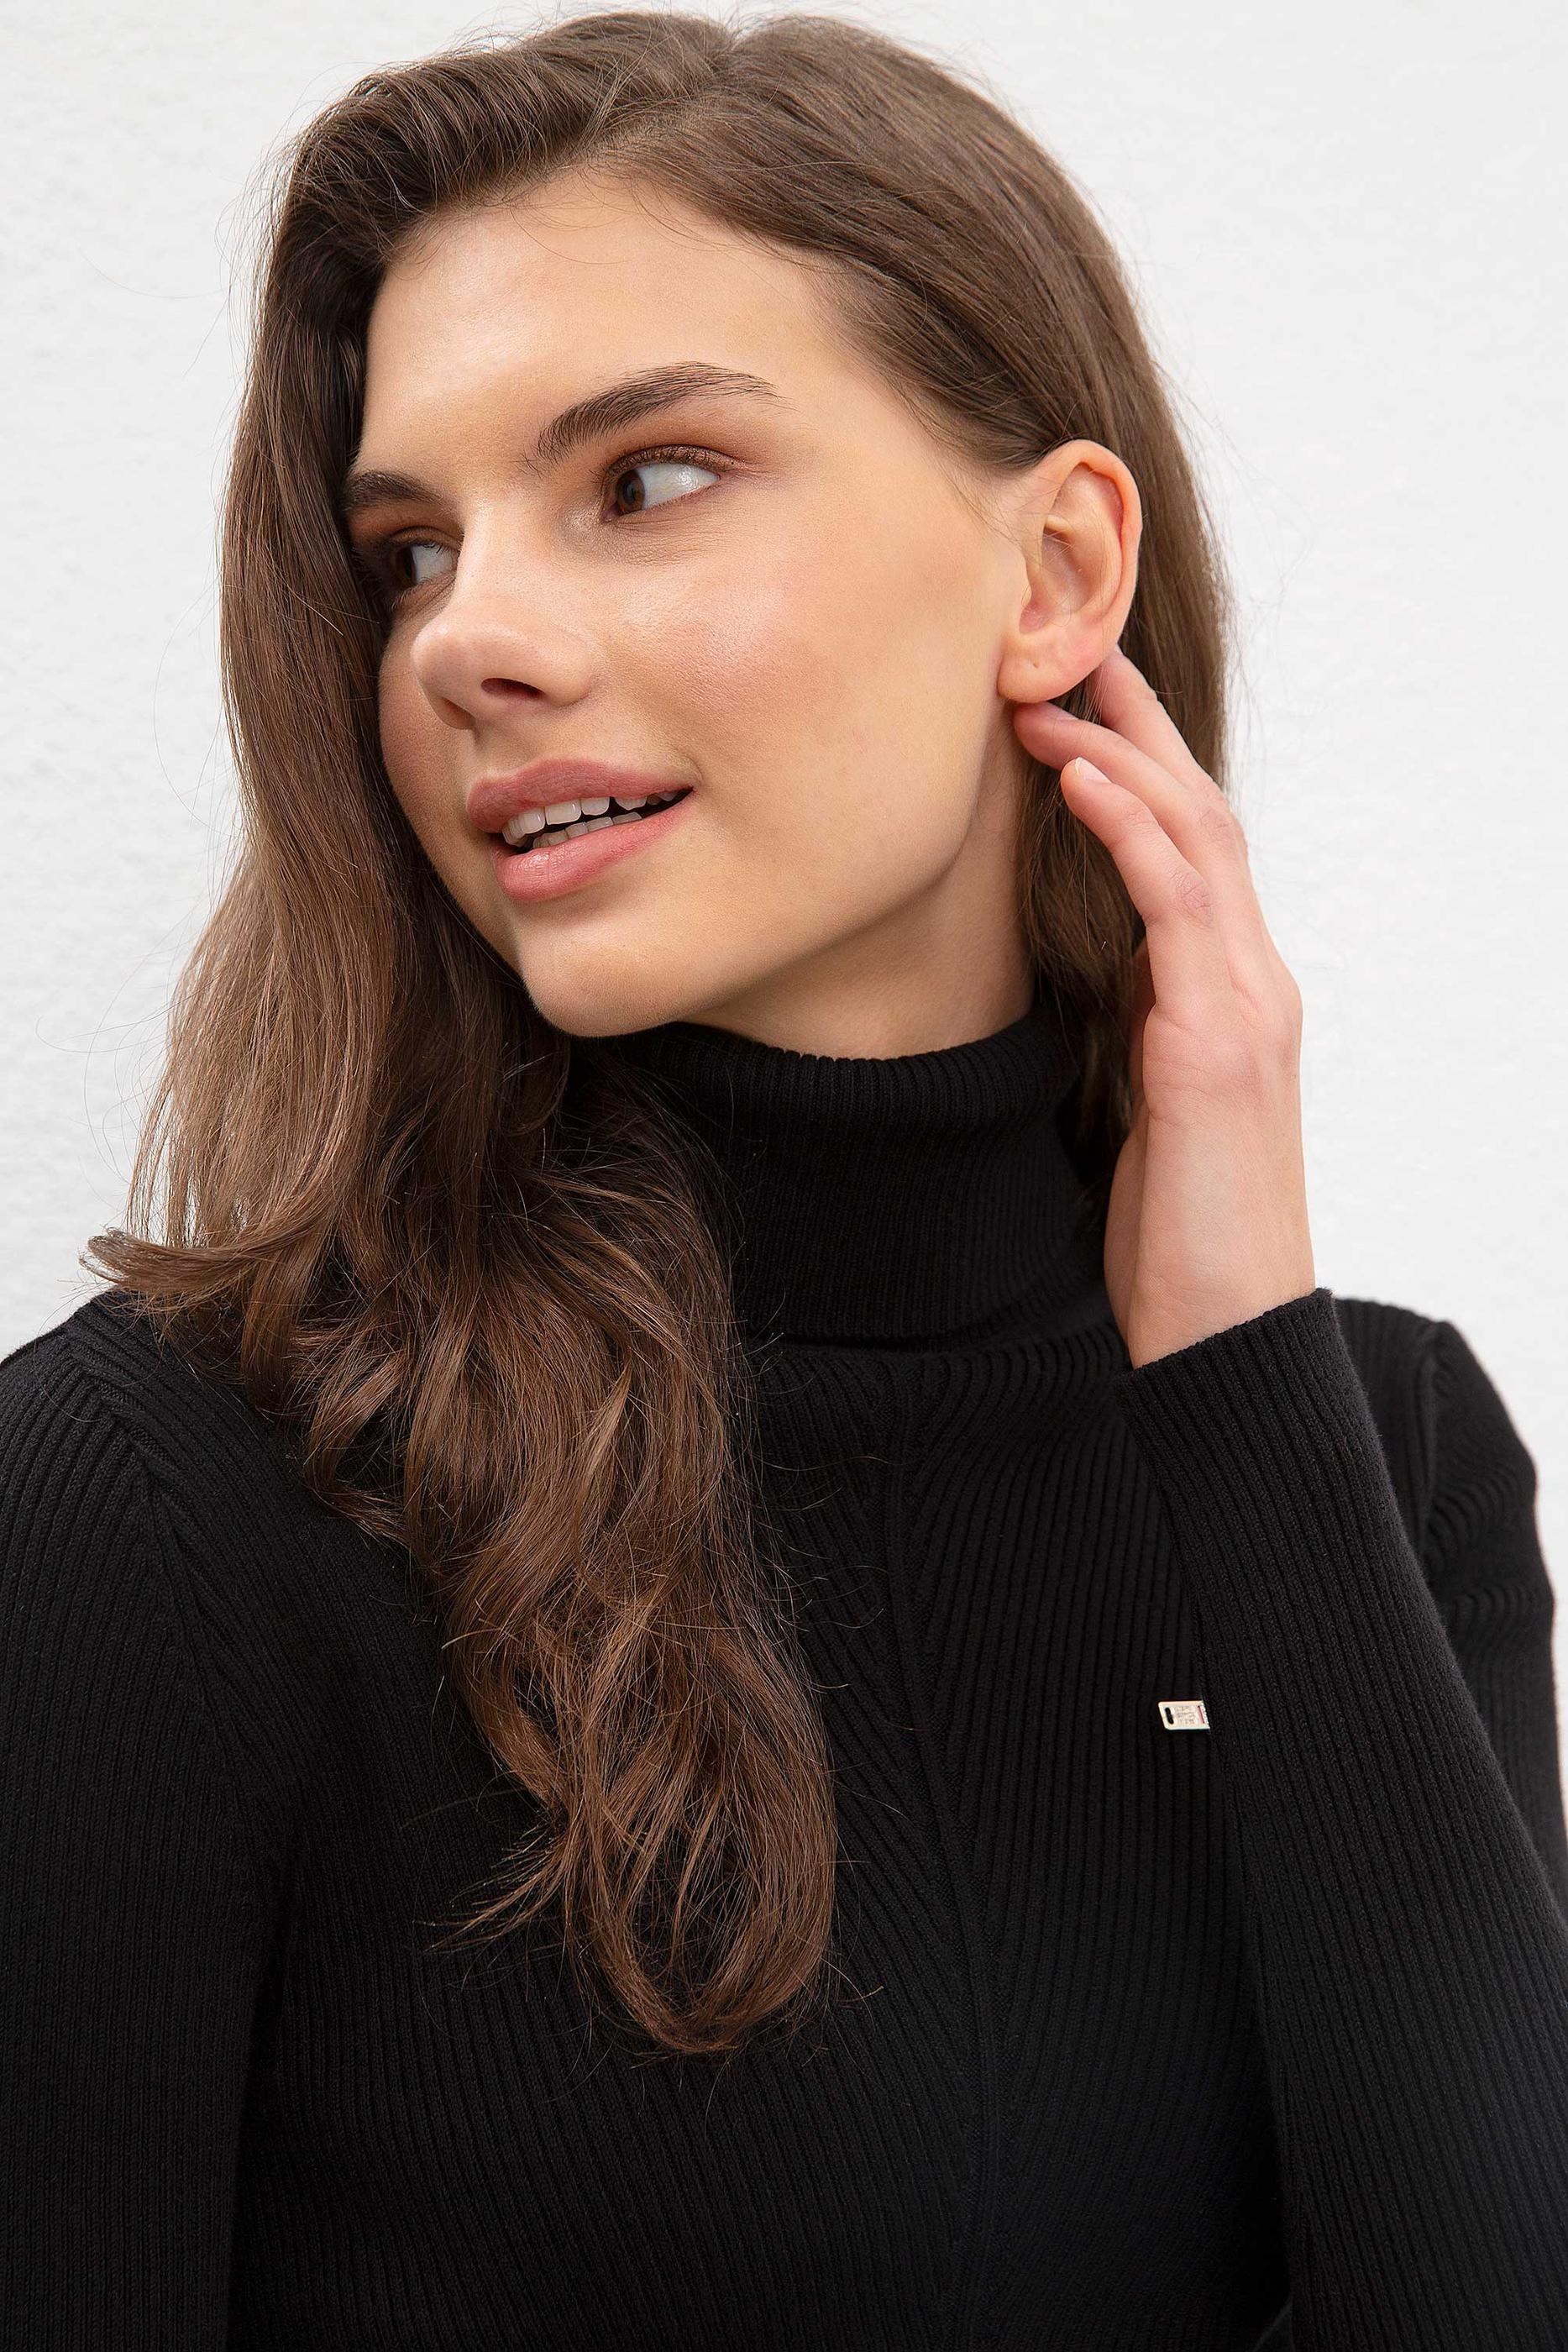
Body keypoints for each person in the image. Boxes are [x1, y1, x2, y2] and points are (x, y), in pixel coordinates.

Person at [3, 13, 1565, 2348]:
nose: (466, 642)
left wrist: (1240, 1351)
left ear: (1054, 570)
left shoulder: (1381, 1459)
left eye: (644, 478)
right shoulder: (165, 1505)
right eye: (409, 552)